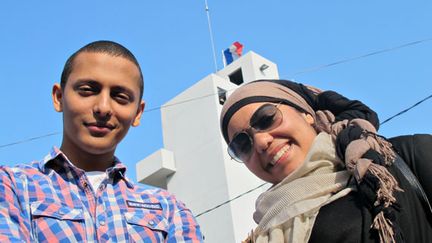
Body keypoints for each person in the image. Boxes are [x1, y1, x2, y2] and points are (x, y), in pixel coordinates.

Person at [0, 40, 203, 242]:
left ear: (138, 114)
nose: (104, 107)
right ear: (59, 97)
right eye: (88, 90)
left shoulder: (169, 210)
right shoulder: (13, 186)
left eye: (120, 96)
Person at [219, 79, 432, 243]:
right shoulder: (264, 232)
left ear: (305, 114)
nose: (261, 141)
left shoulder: (404, 157)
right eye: (241, 145)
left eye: (266, 119)